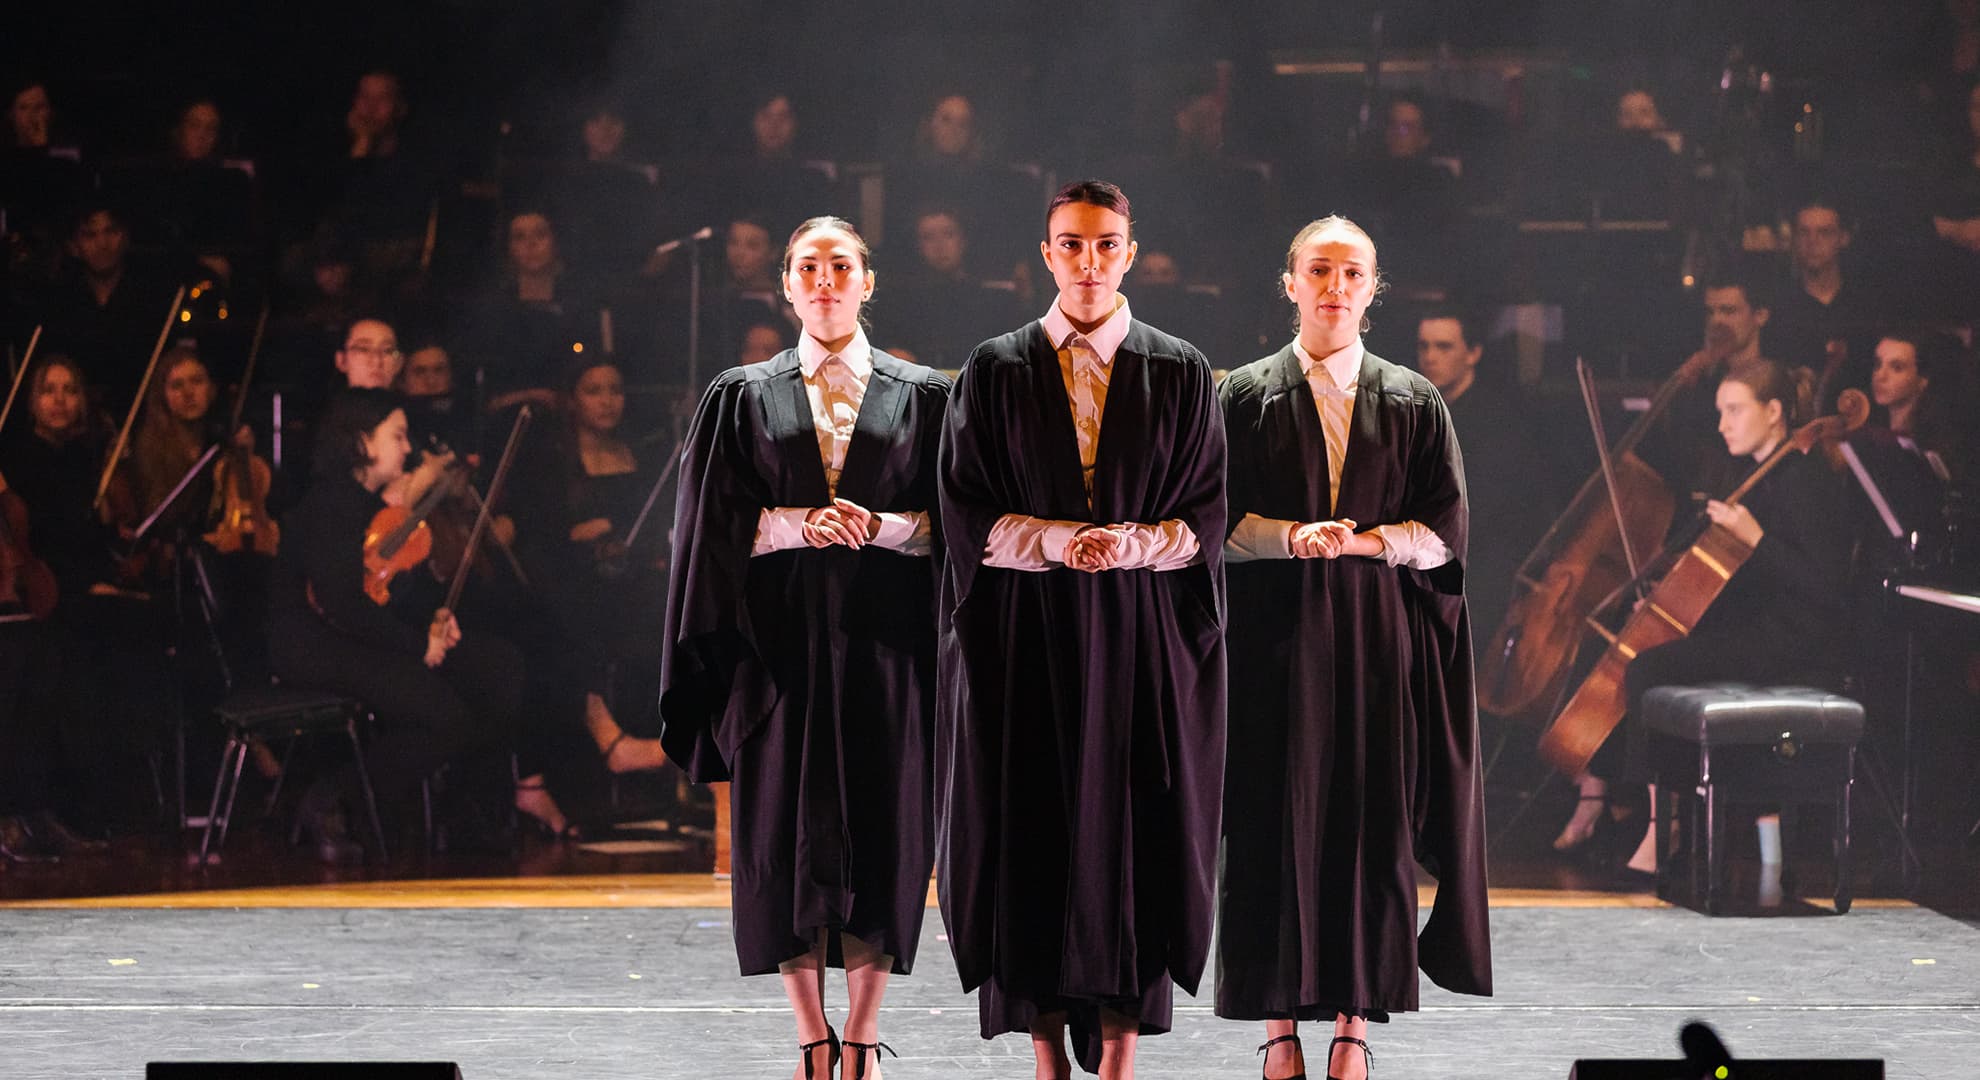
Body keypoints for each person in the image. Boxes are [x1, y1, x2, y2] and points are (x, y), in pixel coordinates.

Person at [935, 180, 1226, 1079]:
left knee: (1138, 825)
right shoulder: (996, 368)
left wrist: (1129, 544)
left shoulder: (1180, 369)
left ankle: (1121, 1051)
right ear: (1047, 253)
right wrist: (1063, 542)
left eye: (1106, 245)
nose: (1089, 261)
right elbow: (962, 505)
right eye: (1072, 244)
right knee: (1030, 822)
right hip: (1027, 636)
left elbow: (1208, 510)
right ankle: (1043, 1048)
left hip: (1140, 638)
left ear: (1130, 253)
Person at [661, 216, 949, 1080]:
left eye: (841, 267)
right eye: (808, 269)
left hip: (885, 645)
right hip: (776, 647)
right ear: (785, 285)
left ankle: (860, 1034)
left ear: (869, 281)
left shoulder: (923, 393)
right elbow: (705, 526)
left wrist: (886, 526)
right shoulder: (739, 394)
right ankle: (809, 1035)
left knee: (883, 831)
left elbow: (959, 525)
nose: (825, 282)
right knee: (779, 836)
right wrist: (795, 524)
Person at [1217, 217, 1491, 1080]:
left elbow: (1447, 533)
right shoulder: (1242, 397)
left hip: (1377, 644)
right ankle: (1277, 1026)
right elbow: (1208, 521)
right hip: (1271, 644)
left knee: (1369, 829)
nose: (1335, 285)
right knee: (1269, 825)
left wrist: (1366, 544)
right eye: (1319, 270)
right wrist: (1292, 538)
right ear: (1289, 282)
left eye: (1353, 272)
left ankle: (1350, 1024)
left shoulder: (1412, 399)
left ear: (1375, 289)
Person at [1552, 361, 1854, 880]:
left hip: (1793, 642)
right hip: (1757, 629)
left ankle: (1660, 824)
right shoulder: (1753, 474)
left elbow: (1826, 589)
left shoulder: (1804, 480)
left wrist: (1755, 538)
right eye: (1720, 412)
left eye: (1735, 411)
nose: (1723, 425)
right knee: (1637, 655)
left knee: (1648, 669)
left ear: (1775, 412)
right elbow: (1738, 581)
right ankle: (1626, 802)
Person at [267, 387, 530, 863]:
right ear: (362, 441)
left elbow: (388, 595)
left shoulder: (378, 508)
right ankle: (333, 797)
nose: (408, 449)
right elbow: (341, 604)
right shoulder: (331, 505)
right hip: (315, 641)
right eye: (398, 436)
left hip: (362, 634)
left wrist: (435, 621)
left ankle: (462, 809)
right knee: (442, 714)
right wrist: (416, 646)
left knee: (499, 667)